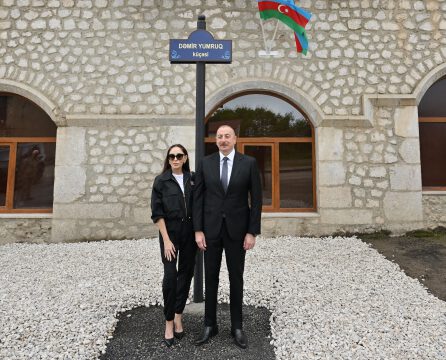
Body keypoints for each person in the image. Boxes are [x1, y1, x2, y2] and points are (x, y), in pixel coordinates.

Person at [193, 125, 262, 349]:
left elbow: (257, 200)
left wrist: (252, 231)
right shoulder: (205, 163)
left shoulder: (249, 163)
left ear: (235, 139)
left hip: (237, 232)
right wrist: (198, 230)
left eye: (227, 136)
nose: (223, 140)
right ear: (216, 141)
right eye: (219, 137)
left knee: (236, 278)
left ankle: (237, 326)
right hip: (211, 231)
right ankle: (210, 324)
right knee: (210, 278)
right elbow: (198, 199)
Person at [151, 144, 197, 347]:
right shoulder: (161, 181)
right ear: (168, 160)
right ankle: (168, 322)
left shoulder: (193, 179)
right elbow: (157, 213)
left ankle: (179, 314)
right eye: (172, 156)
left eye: (179, 156)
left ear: (185, 158)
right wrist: (167, 240)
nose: (175, 159)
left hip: (189, 234)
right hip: (170, 235)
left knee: (186, 274)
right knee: (170, 277)